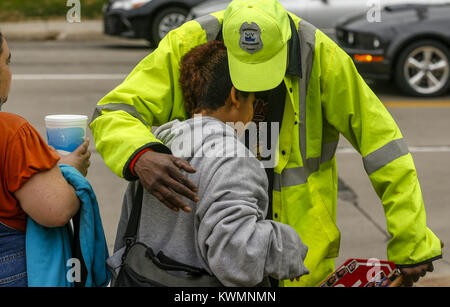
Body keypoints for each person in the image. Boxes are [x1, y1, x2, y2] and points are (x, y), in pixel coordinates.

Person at [90, 0, 442, 287]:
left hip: (295, 268)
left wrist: (411, 241)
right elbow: (114, 111)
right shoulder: (189, 42)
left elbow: (384, 148)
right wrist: (140, 155)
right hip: (201, 273)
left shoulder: (321, 56)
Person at [113, 40, 309, 286]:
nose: (254, 110)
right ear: (235, 96)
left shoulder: (158, 148)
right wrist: (286, 244)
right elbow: (237, 260)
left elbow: (125, 238)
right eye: (254, 100)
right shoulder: (234, 159)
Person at [0, 32, 91, 287]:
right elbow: (55, 210)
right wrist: (70, 171)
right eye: (7, 61)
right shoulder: (11, 132)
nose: (9, 71)